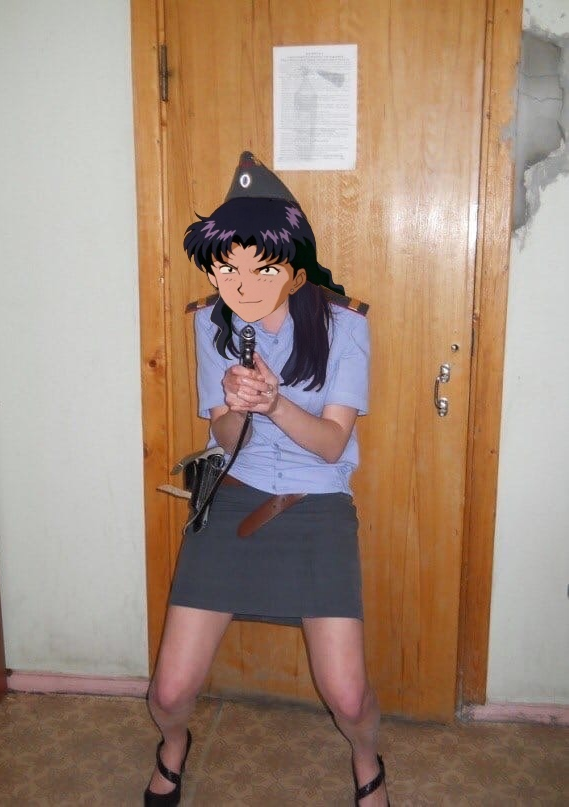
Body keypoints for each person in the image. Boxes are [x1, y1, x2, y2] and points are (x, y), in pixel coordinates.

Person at [144, 153, 389, 806]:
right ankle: (173, 742)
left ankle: (366, 756)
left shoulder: (344, 324)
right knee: (168, 692)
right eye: (228, 268)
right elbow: (227, 439)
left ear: (293, 265)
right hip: (233, 498)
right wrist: (237, 407)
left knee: (347, 695)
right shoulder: (211, 322)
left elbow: (331, 444)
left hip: (317, 504)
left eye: (262, 267)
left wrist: (276, 403)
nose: (243, 283)